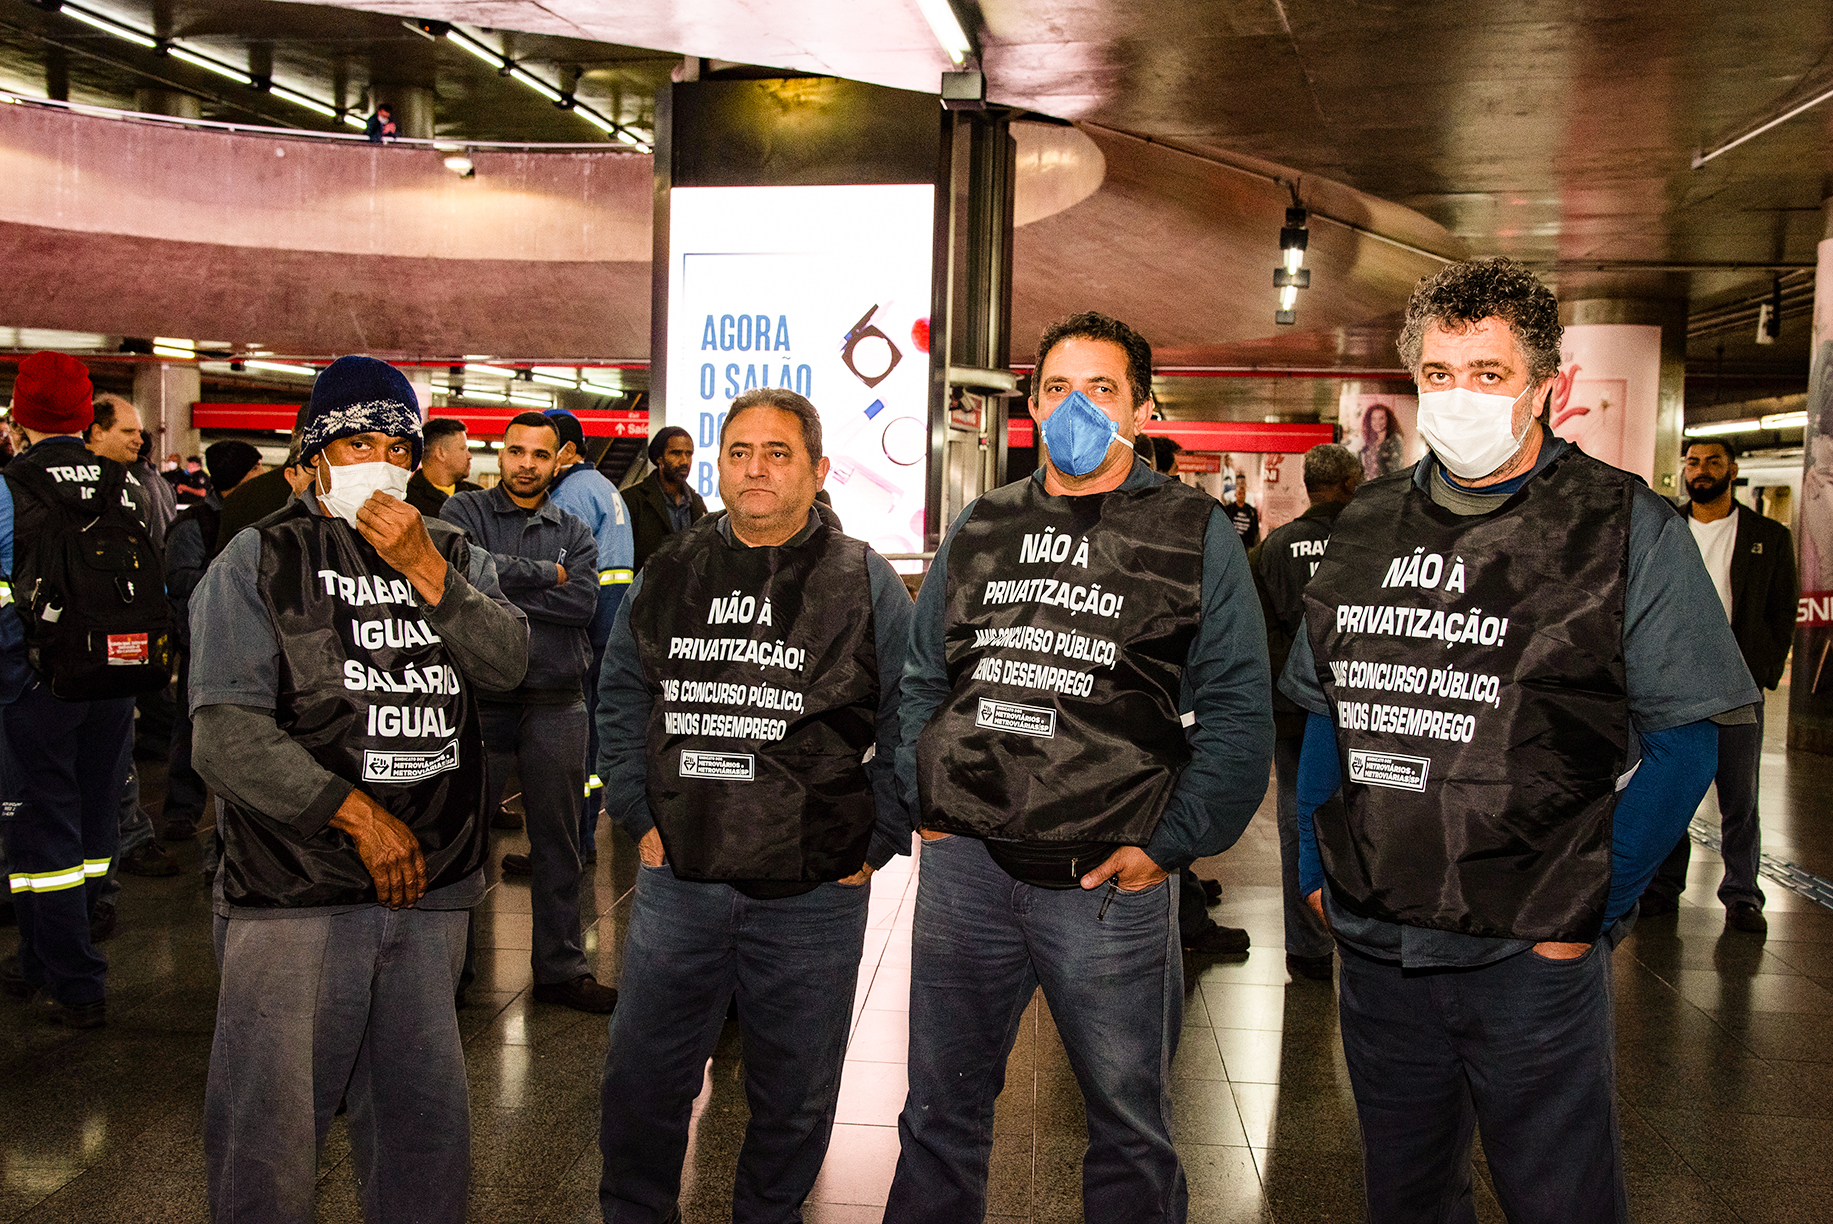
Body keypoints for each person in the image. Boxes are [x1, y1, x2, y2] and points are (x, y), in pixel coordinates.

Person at [1282, 258, 1758, 1223]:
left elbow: (1686, 743)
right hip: (1380, 942)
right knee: (1405, 1195)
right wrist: (1312, 872)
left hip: (1524, 955)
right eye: (1439, 374)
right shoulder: (1365, 524)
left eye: (1489, 373)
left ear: (1545, 387)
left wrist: (1583, 917)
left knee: (1559, 1198)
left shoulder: (1621, 526)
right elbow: (1328, 710)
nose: (1459, 396)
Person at [884, 312, 1274, 1224]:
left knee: (1129, 1126)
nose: (1077, 407)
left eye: (1101, 389)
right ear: (1031, 406)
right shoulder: (983, 522)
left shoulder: (1191, 531)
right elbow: (922, 675)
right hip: (967, 867)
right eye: (1058, 388)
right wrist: (923, 793)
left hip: (1105, 880)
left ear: (1140, 408)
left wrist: (1168, 846)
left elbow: (1237, 708)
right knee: (938, 1111)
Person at [189, 356, 527, 1224]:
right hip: (298, 886)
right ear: (314, 456)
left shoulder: (451, 550)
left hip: (431, 884)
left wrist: (427, 570)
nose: (380, 463)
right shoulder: (257, 558)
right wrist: (357, 817)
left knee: (422, 1121)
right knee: (270, 1128)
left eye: (397, 448)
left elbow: (507, 663)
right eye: (356, 444)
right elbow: (224, 734)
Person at [595, 387, 914, 1223]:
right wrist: (636, 810)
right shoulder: (671, 569)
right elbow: (623, 692)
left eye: (777, 452)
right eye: (738, 452)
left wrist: (876, 837)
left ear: (817, 468)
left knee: (793, 1098)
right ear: (718, 466)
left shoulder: (863, 579)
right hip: (682, 878)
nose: (755, 469)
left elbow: (909, 711)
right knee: (642, 1082)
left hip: (812, 891)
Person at [440, 413, 617, 1014]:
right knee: (463, 841)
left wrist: (493, 589)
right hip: (479, 701)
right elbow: (455, 581)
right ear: (502, 453)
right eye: (517, 451)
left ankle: (561, 970)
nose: (526, 464)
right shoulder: (464, 512)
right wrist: (546, 576)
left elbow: (582, 602)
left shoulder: (574, 528)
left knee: (559, 843)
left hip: (555, 699)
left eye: (540, 455)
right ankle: (451, 974)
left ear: (558, 460)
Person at [0, 353, 142, 1027]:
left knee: (41, 827)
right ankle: (41, 957)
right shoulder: (125, 484)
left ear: (18, 414)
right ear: (87, 413)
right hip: (114, 675)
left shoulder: (10, 488)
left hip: (34, 679)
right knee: (94, 817)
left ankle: (76, 978)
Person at [1639, 438, 1796, 934]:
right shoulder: (1663, 525)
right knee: (1672, 789)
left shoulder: (1767, 536)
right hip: (1670, 681)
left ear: (1732, 469)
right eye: (1693, 462)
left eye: (1712, 462)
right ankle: (1663, 887)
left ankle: (1743, 894)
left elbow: (1782, 611)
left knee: (1739, 797)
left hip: (1736, 685)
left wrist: (1760, 674)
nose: (1701, 470)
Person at [1247, 442, 1361, 983]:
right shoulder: (1367, 541)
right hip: (1366, 706)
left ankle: (1307, 948)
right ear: (1349, 484)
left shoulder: (1272, 549)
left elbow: (1261, 633)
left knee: (1300, 821)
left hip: (1293, 710)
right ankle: (1367, 939)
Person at [83, 396, 183, 888]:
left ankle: (126, 843)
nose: (140, 440)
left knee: (113, 751)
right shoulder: (96, 488)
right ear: (94, 432)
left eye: (140, 432)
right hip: (86, 640)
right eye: (127, 431)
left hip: (126, 632)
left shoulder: (142, 486)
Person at [537, 408, 634, 867]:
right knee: (593, 733)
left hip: (585, 622)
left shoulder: (568, 496)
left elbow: (556, 568)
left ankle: (571, 843)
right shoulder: (604, 487)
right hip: (612, 621)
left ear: (568, 451)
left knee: (572, 737)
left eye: (544, 450)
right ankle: (584, 838)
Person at [161, 440, 265, 842]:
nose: (262, 477)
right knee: (192, 728)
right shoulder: (195, 524)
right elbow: (180, 581)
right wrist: (231, 572)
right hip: (204, 641)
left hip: (251, 638)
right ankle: (181, 810)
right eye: (255, 470)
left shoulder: (259, 516)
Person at [629, 425, 706, 571]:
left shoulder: (696, 503)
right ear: (659, 457)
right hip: (646, 584)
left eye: (688, 454)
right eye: (676, 453)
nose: (684, 461)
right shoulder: (633, 500)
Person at [404, 417, 481, 516]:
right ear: (441, 453)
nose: (469, 456)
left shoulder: (478, 498)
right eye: (463, 448)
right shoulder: (406, 501)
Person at [1358, 402, 1406, 480]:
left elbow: (1397, 469)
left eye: (1381, 418)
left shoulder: (1395, 439)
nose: (1377, 422)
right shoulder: (1371, 443)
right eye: (1374, 419)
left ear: (1388, 419)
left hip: (1387, 485)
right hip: (1370, 486)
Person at [1223, 481, 1260, 547]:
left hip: (1245, 543)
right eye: (1240, 493)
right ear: (1235, 494)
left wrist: (1251, 541)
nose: (1242, 496)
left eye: (1243, 493)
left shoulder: (1251, 511)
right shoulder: (1228, 509)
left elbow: (1255, 528)